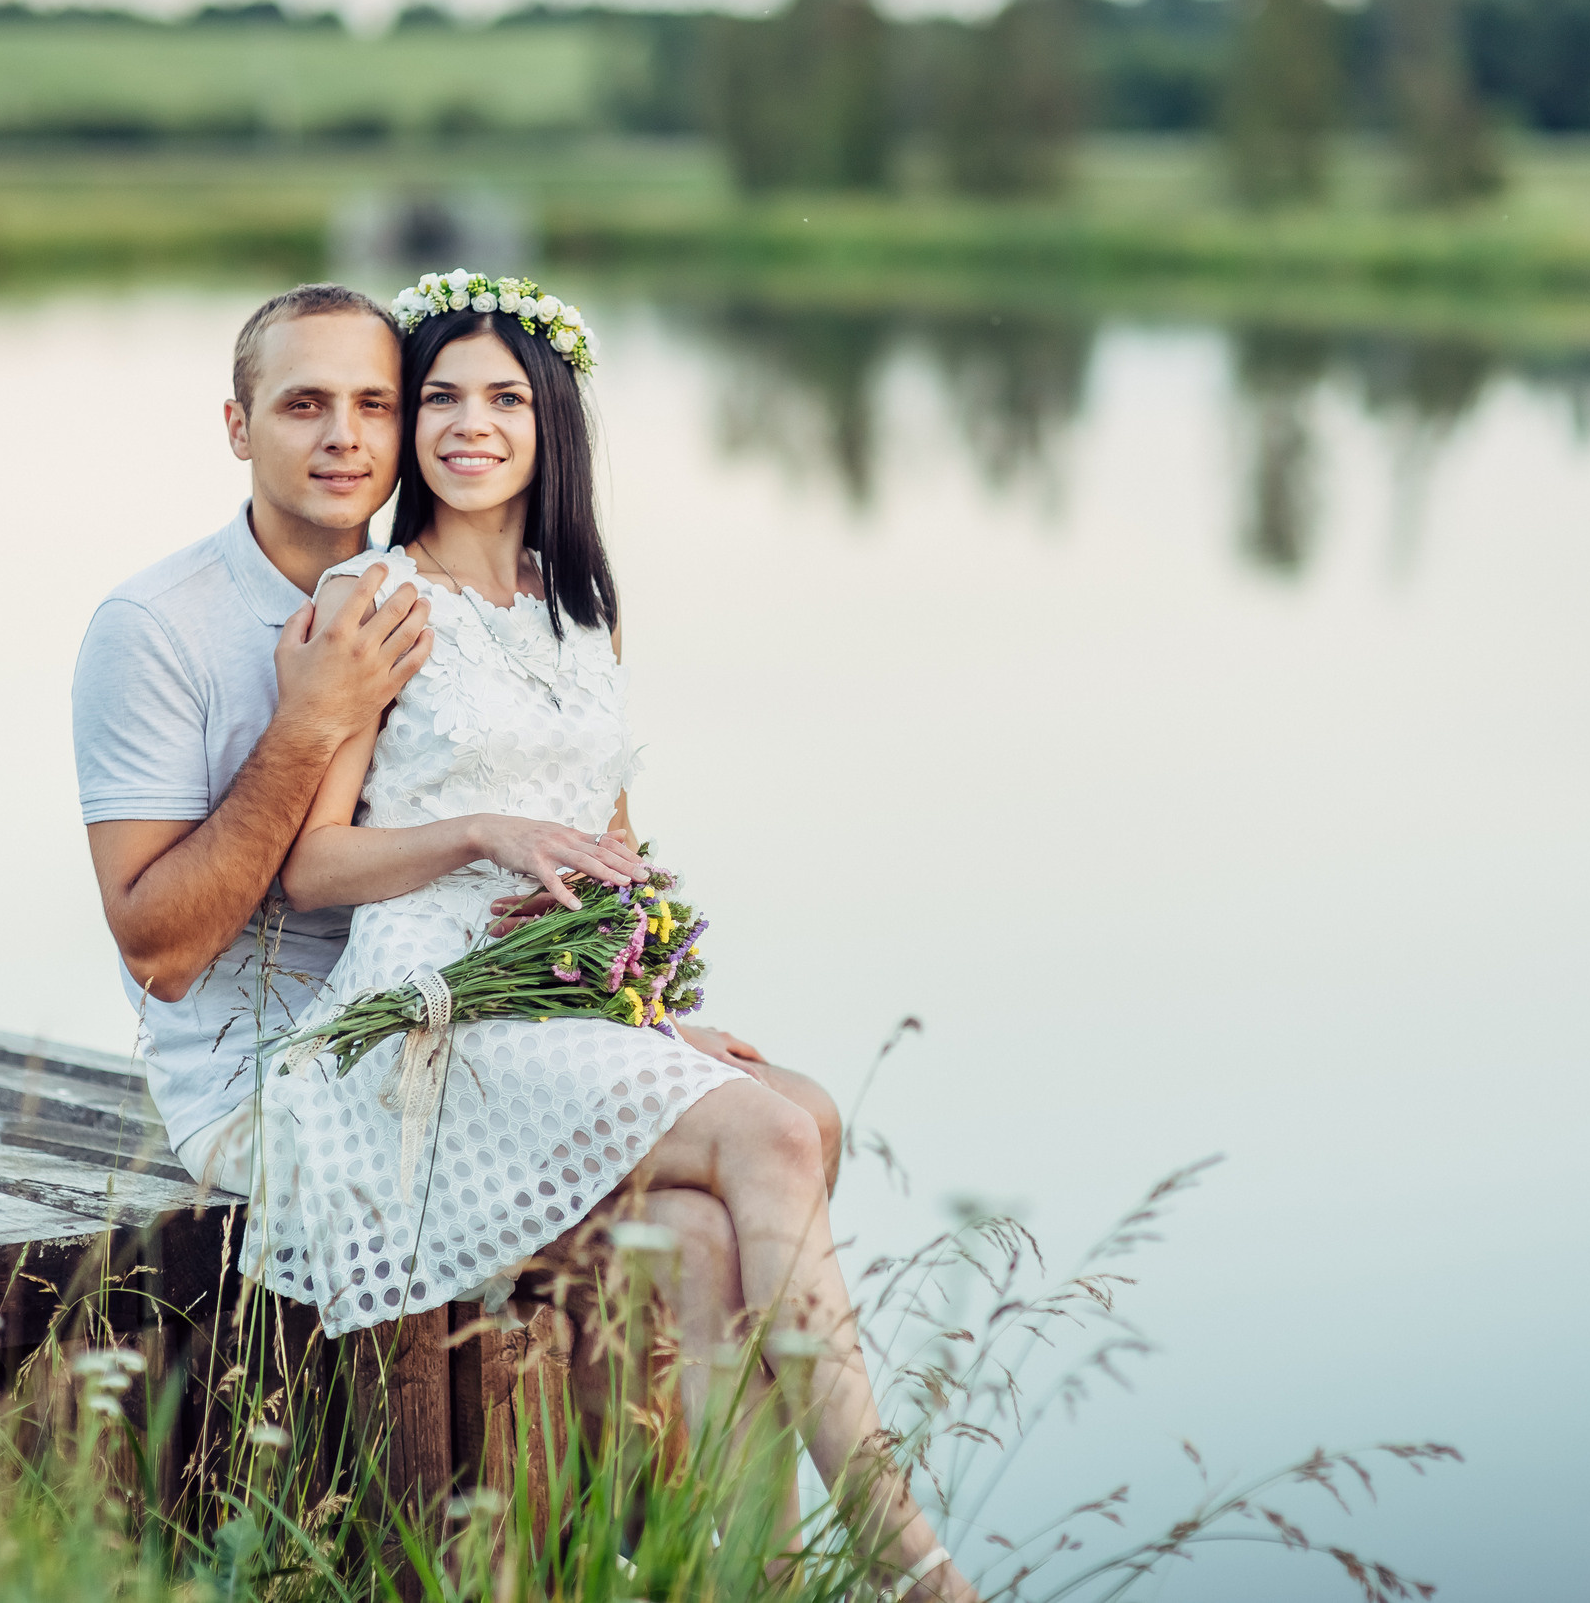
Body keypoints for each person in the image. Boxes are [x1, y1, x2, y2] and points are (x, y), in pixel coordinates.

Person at [242, 270, 970, 1602]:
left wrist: (651, 1012)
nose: (470, 424)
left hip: (558, 1013)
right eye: (441, 397)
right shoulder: (374, 600)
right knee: (775, 1129)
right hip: (432, 1018)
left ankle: (743, 1572)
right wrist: (480, 831)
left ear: (549, 422)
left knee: (778, 1141)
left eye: (504, 398)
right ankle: (900, 1551)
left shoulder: (580, 604)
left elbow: (614, 854)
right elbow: (308, 866)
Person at [68, 283, 842, 1403]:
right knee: (765, 1142)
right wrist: (311, 718)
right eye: (303, 406)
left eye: (376, 403)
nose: (345, 437)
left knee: (712, 1220)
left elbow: (559, 833)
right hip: (292, 1071)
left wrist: (645, 1013)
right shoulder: (157, 628)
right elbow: (160, 951)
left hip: (483, 1020)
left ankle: (717, 1567)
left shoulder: (481, 602)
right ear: (237, 427)